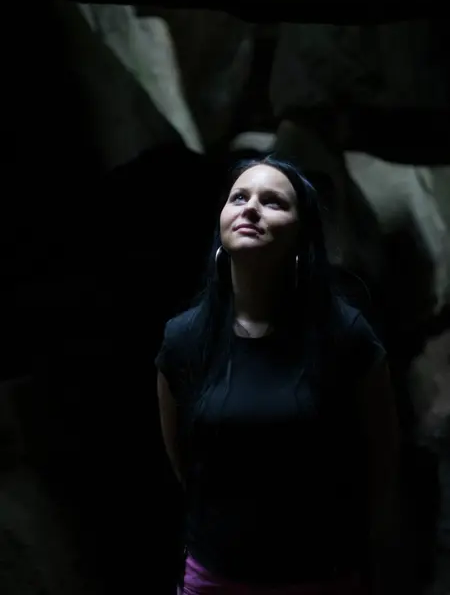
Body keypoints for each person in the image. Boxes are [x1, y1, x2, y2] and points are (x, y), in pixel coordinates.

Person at [155, 155, 401, 594]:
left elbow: (381, 461)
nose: (250, 208)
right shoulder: (185, 339)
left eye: (272, 202)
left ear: (302, 236)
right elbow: (183, 462)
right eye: (239, 198)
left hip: (319, 577)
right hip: (214, 579)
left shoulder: (344, 335)